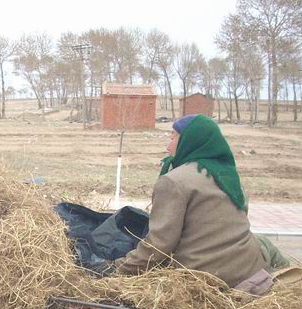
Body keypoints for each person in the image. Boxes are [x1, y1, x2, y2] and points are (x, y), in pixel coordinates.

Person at [114, 114, 270, 292]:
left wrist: (120, 267)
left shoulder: (174, 181)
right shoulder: (228, 175)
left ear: (189, 141)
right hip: (249, 268)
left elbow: (160, 245)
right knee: (264, 243)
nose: (168, 146)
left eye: (173, 138)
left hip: (205, 277)